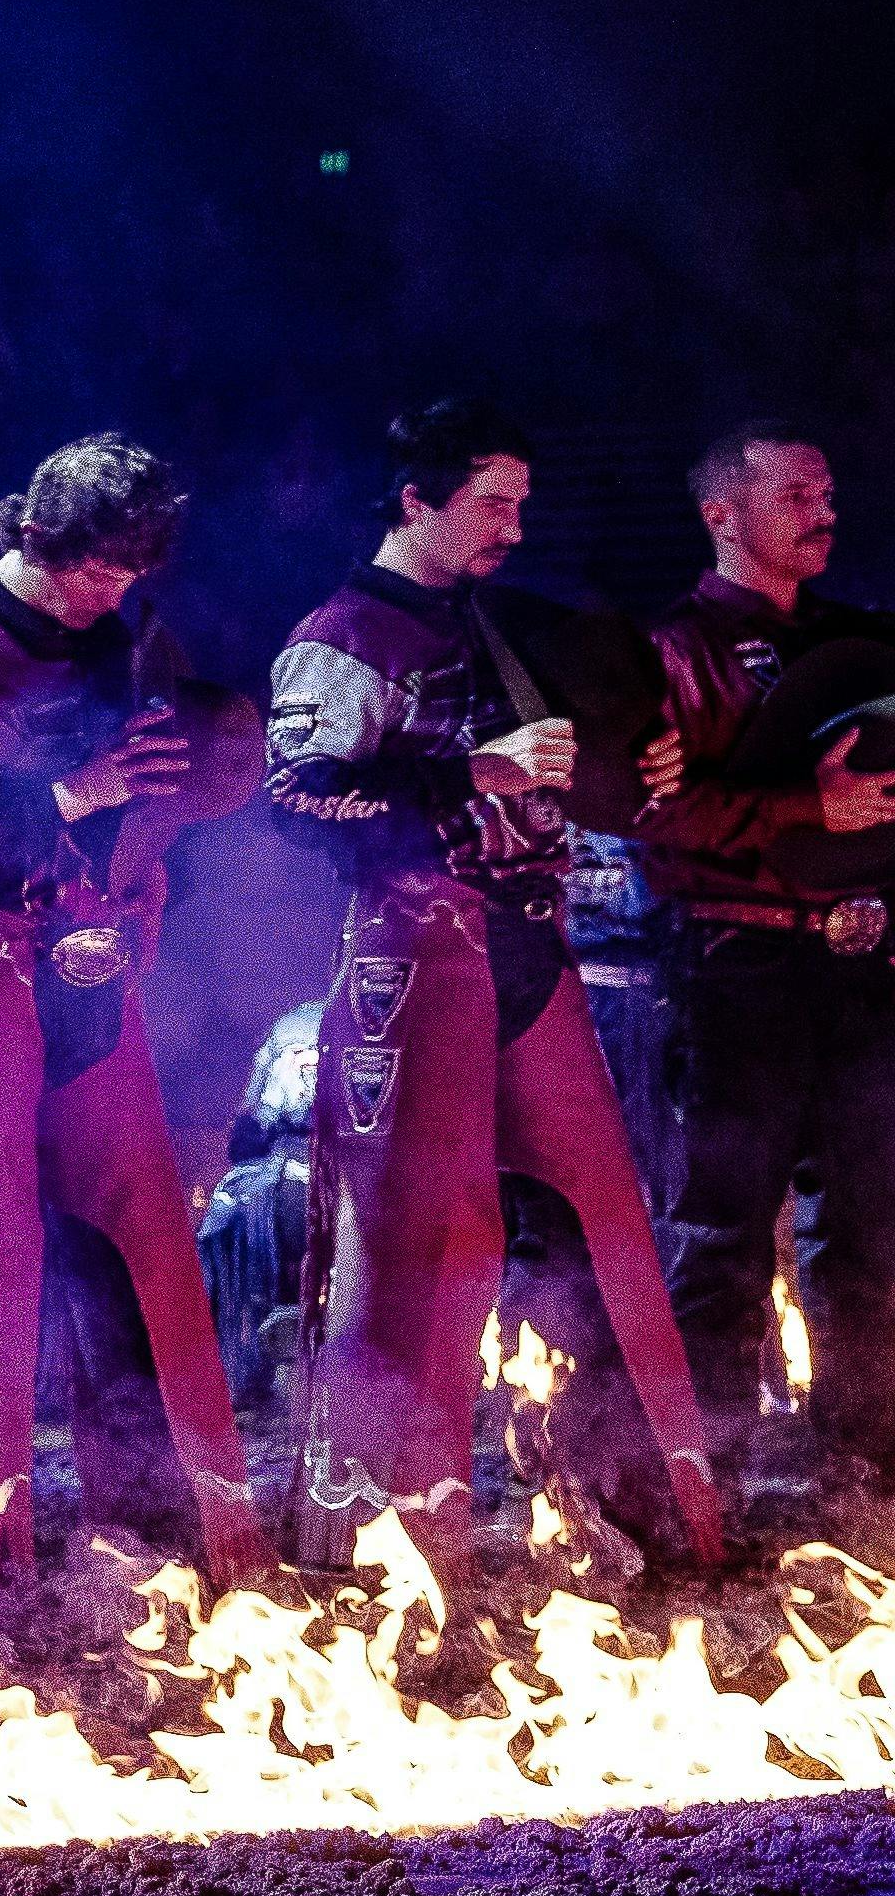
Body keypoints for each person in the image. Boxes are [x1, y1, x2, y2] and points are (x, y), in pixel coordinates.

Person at [267, 398, 721, 1571]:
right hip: (412, 958)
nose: (515, 527)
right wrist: (470, 768)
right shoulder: (343, 634)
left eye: (523, 502)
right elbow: (297, 799)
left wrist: (640, 770)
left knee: (608, 1221)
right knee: (431, 1239)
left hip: (528, 947)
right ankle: (383, 1546)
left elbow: (574, 772)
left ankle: (644, 1512)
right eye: (490, 503)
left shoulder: (494, 620)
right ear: (415, 500)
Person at [0, 435, 277, 1592]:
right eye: (98, 569)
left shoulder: (136, 641)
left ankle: (153, 1532)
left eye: (134, 573)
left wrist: (157, 840)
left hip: (94, 978)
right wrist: (66, 793)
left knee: (131, 1250)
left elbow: (161, 806)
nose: (115, 592)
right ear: (35, 536)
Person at [633, 423, 895, 1497]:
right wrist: (807, 806)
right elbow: (654, 818)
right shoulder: (672, 652)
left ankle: (866, 1461)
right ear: (722, 514)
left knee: (877, 1226)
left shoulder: (861, 638)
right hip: (738, 965)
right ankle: (705, 1479)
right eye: (795, 492)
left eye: (828, 490)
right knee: (724, 1230)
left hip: (867, 965)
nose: (822, 509)